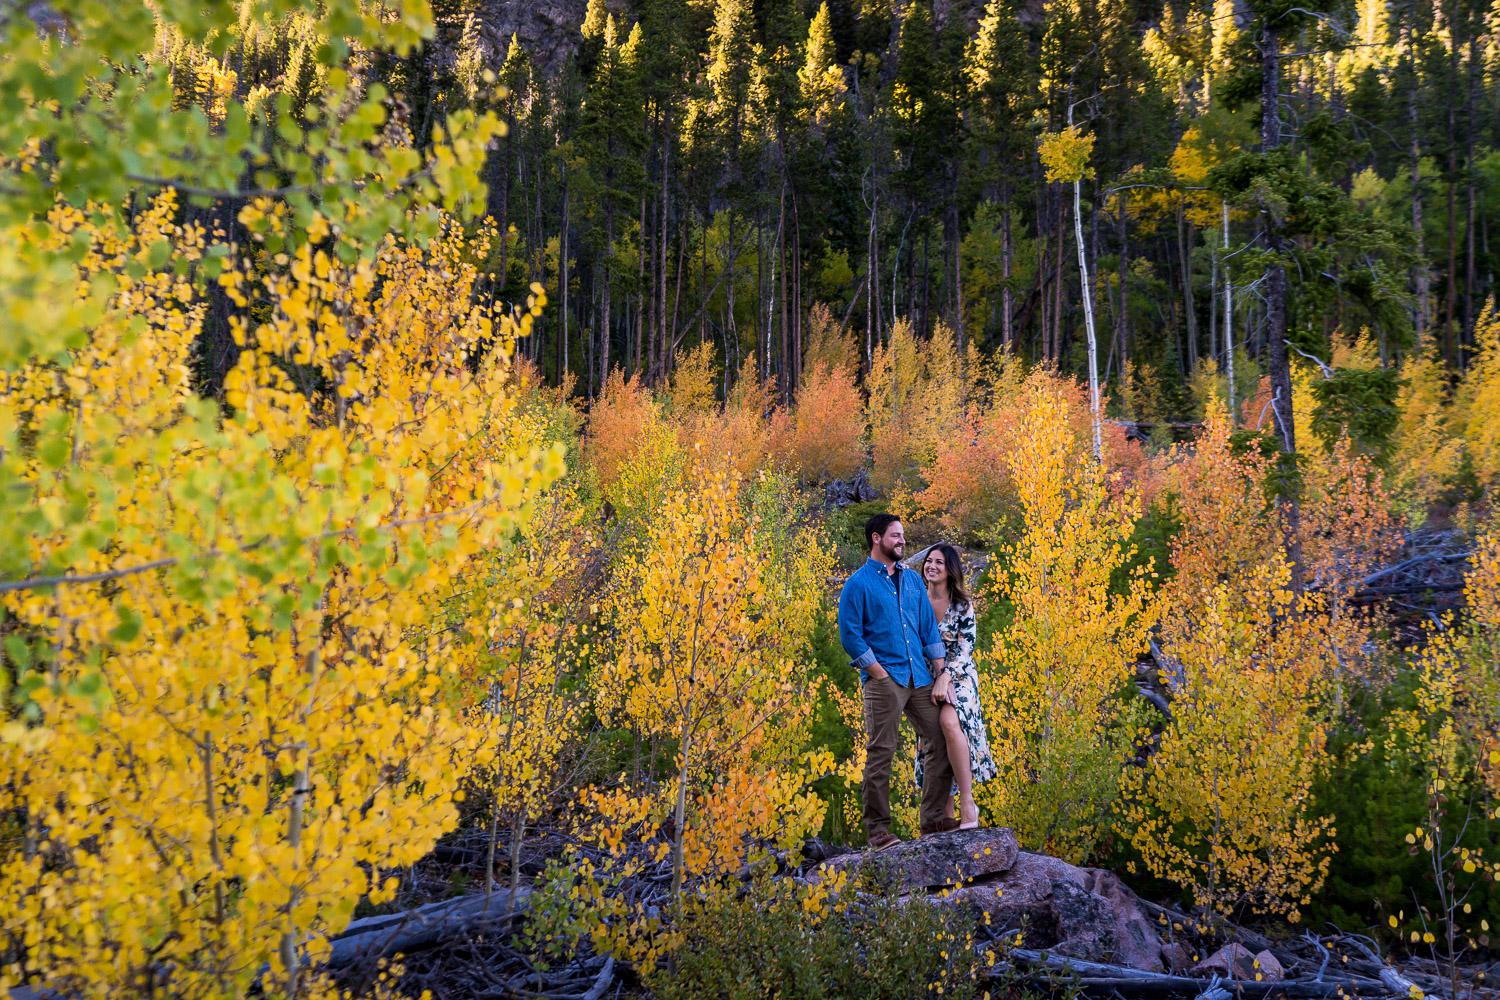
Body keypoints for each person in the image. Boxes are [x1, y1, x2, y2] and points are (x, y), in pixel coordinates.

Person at [837, 513, 958, 851]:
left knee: (941, 737)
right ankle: (878, 831)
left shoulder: (913, 581)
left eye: (902, 535)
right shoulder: (857, 584)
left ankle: (933, 818)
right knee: (882, 751)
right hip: (884, 680)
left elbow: (928, 629)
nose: (902, 541)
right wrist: (877, 672)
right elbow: (850, 635)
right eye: (895, 535)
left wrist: (940, 671)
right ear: (876, 538)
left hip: (919, 676)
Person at [914, 543, 996, 830]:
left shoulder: (963, 605)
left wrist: (946, 676)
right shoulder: (916, 601)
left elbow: (965, 650)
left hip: (959, 676)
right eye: (929, 561)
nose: (932, 566)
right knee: (935, 737)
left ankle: (968, 802)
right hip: (925, 679)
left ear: (950, 570)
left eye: (939, 562)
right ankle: (944, 814)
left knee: (950, 723)